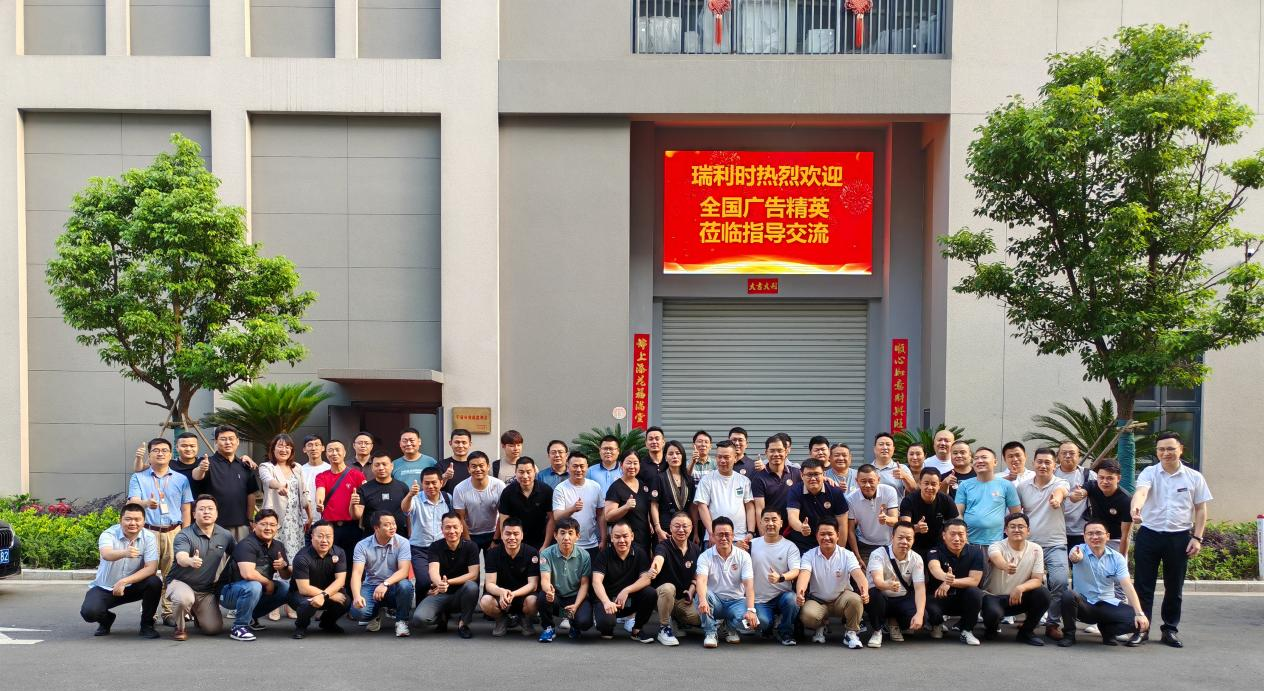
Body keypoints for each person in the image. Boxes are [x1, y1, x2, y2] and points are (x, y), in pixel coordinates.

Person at [1130, 431, 1212, 648]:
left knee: (1174, 587)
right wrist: (1135, 508)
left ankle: (1170, 630)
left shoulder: (1194, 477)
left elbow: (1201, 509)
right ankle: (1141, 629)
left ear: (1180, 450)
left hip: (1179, 538)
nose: (1165, 453)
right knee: (1143, 586)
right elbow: (1141, 492)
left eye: (1170, 449)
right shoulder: (1149, 472)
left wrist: (1197, 538)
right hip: (1149, 534)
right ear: (1157, 452)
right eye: (1161, 449)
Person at [126, 438, 193, 625]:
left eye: (165, 450)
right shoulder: (138, 477)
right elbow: (133, 501)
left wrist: (186, 534)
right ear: (149, 455)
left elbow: (186, 508)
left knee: (171, 574)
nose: (160, 453)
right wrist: (146, 503)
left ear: (171, 455)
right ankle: (149, 613)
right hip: (148, 532)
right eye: (156, 450)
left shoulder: (181, 479)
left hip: (174, 532)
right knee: (148, 574)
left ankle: (169, 612)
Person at [1059, 519, 1149, 648]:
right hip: (1084, 606)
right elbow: (1075, 556)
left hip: (1107, 604)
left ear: (1107, 536)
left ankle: (1108, 631)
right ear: (1084, 537)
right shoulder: (1078, 549)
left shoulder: (1117, 558)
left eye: (1099, 533)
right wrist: (1075, 558)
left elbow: (1127, 586)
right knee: (1068, 595)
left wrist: (1140, 614)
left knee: (1140, 621)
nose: (1094, 537)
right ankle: (1069, 635)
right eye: (1090, 534)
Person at [80, 502, 163, 639]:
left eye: (137, 519)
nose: (133, 523)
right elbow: (106, 554)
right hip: (106, 587)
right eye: (128, 519)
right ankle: (106, 620)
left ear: (143, 521)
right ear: (120, 520)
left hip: (133, 586)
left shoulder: (148, 537)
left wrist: (124, 581)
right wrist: (125, 553)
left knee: (154, 582)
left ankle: (147, 625)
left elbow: (151, 567)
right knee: (89, 612)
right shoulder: (108, 534)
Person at [1014, 447, 1070, 640]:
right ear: (1033, 463)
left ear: (1055, 465)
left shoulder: (1060, 483)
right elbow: (1017, 513)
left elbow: (1061, 492)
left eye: (1048, 462)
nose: (1043, 465)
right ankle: (1031, 620)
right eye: (1040, 461)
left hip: (1055, 543)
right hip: (1029, 545)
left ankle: (1052, 623)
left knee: (1060, 581)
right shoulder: (1022, 487)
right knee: (1026, 584)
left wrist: (1057, 499)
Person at [166, 495, 235, 640]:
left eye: (210, 509)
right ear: (194, 514)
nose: (206, 512)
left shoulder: (225, 535)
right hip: (180, 583)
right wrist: (190, 561)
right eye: (202, 509)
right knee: (183, 598)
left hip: (205, 590)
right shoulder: (184, 534)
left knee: (213, 629)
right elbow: (181, 557)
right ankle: (180, 628)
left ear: (216, 513)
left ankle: (197, 613)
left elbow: (237, 555)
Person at [258, 433, 310, 619]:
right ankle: (274, 604)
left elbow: (304, 493)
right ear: (273, 449)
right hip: (275, 523)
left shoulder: (297, 468)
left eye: (287, 446)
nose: (283, 449)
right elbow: (267, 480)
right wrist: (279, 485)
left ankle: (290, 603)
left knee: (293, 562)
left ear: (292, 450)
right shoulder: (267, 467)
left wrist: (309, 515)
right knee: (275, 562)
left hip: (295, 524)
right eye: (279, 446)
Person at [218, 509, 292, 642]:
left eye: (272, 524)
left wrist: (284, 566)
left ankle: (250, 617)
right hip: (228, 591)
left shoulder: (278, 546)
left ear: (277, 527)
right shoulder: (246, 544)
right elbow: (248, 574)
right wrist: (268, 583)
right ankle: (239, 627)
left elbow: (285, 576)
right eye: (263, 524)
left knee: (285, 588)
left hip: (256, 589)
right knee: (254, 585)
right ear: (254, 525)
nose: (268, 528)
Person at [795, 516, 867, 649]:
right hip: (818, 600)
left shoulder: (847, 555)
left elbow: (858, 574)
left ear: (838, 535)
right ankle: (820, 626)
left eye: (830, 534)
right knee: (808, 616)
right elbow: (804, 575)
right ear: (816, 536)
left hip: (841, 598)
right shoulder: (809, 555)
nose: (826, 538)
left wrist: (865, 591)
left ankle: (851, 633)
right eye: (822, 534)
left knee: (856, 600)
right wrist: (800, 593)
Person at [982, 513, 1051, 646]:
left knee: (1043, 594)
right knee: (992, 614)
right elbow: (996, 558)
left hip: (1018, 597)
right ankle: (991, 628)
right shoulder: (996, 546)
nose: (1017, 530)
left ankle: (1026, 632)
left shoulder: (1036, 549)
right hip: (994, 597)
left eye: (1021, 526)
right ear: (1005, 530)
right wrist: (1006, 566)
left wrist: (1020, 588)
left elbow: (1037, 579)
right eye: (1012, 526)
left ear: (1028, 530)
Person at [412, 512, 481, 638]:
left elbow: (473, 574)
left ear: (461, 528)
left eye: (455, 527)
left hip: (461, 593)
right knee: (419, 620)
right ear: (442, 529)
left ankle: (463, 624)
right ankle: (441, 617)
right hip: (441, 593)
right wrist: (439, 583)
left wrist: (448, 582)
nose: (452, 531)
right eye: (447, 527)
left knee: (472, 587)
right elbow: (433, 570)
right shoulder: (435, 546)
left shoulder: (471, 546)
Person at [695, 516, 759, 648]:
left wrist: (751, 610)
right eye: (720, 535)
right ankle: (710, 632)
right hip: (715, 601)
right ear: (713, 536)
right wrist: (702, 600)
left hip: (736, 601)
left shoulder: (744, 556)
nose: (724, 538)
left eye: (727, 534)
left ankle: (730, 626)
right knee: (702, 595)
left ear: (733, 535)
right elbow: (701, 580)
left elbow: (749, 585)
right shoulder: (705, 556)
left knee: (751, 624)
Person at [349, 511, 415, 637]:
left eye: (393, 523)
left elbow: (404, 571)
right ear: (376, 528)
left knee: (405, 586)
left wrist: (385, 584)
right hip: (371, 586)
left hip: (394, 585)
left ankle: (401, 621)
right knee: (358, 612)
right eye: (387, 525)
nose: (392, 527)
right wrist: (357, 596)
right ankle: (375, 614)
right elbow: (357, 573)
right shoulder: (362, 545)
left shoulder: (403, 542)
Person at [192, 425, 260, 541]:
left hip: (241, 524)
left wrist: (250, 520)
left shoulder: (245, 465)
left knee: (241, 552)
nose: (228, 442)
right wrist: (201, 468)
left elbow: (251, 495)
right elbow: (196, 475)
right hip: (213, 524)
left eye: (231, 439)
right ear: (216, 442)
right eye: (223, 439)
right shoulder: (207, 463)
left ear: (237, 441)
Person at [864, 521, 925, 648]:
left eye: (908, 538)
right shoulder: (878, 554)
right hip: (881, 597)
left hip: (901, 598)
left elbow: (919, 589)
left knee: (924, 617)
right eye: (900, 537)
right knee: (874, 594)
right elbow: (877, 581)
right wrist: (887, 585)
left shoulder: (917, 558)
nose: (904, 542)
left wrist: (919, 614)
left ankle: (894, 622)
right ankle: (877, 630)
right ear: (892, 537)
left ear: (913, 540)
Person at [592, 522, 656, 642]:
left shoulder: (640, 553)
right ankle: (606, 626)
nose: (621, 540)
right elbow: (596, 582)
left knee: (650, 593)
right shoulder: (604, 555)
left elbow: (646, 579)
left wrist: (626, 590)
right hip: (609, 601)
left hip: (630, 600)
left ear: (632, 536)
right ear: (611, 538)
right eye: (617, 537)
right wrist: (606, 602)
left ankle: (637, 630)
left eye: (625, 536)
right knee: (606, 626)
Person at [925, 519, 985, 646]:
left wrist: (950, 582)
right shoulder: (934, 551)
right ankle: (936, 624)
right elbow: (934, 569)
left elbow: (974, 580)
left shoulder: (976, 552)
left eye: (961, 534)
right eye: (952, 534)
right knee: (932, 610)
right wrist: (946, 577)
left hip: (962, 599)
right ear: (944, 535)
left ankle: (967, 630)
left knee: (975, 592)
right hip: (939, 597)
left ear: (966, 535)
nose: (957, 539)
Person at [647, 511, 703, 646]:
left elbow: (696, 575)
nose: (681, 530)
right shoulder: (663, 546)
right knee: (668, 588)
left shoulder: (695, 549)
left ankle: (677, 620)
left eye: (685, 526)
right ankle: (664, 628)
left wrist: (691, 590)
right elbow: (658, 559)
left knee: (698, 618)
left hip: (682, 598)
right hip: (661, 595)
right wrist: (654, 569)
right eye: (677, 526)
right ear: (670, 528)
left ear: (691, 528)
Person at [287, 521, 349, 638]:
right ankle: (301, 626)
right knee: (307, 604)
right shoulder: (302, 557)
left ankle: (327, 623)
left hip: (327, 593)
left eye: (328, 536)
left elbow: (340, 581)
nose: (324, 540)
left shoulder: (339, 552)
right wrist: (326, 595)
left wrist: (324, 595)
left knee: (345, 600)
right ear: (312, 537)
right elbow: (304, 589)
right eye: (320, 536)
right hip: (301, 594)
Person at [480, 517, 541, 637]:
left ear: (522, 535)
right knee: (485, 601)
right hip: (500, 597)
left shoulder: (531, 552)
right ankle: (501, 619)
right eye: (507, 534)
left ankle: (525, 619)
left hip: (523, 596)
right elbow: (490, 584)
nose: (512, 537)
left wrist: (513, 594)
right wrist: (502, 592)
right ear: (502, 535)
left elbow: (533, 585)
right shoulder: (492, 553)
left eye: (516, 534)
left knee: (534, 601)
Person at [537, 517, 594, 642]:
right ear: (555, 535)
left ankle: (575, 625)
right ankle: (548, 628)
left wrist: (576, 605)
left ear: (577, 536)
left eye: (570, 533)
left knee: (584, 622)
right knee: (543, 597)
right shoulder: (546, 554)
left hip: (575, 597)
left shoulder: (585, 556)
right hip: (556, 597)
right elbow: (545, 579)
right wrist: (549, 591)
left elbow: (584, 584)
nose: (566, 537)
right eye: (562, 533)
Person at [750, 508, 801, 646]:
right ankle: (769, 625)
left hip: (782, 595)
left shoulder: (790, 546)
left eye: (774, 520)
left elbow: (796, 570)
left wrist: (781, 577)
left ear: (781, 523)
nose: (770, 523)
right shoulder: (751, 545)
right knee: (763, 622)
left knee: (793, 600)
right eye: (766, 520)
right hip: (760, 599)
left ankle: (786, 632)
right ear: (760, 522)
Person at [402, 466, 453, 595]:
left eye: (434, 482)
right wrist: (410, 494)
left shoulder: (448, 498)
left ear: (441, 482)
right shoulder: (415, 499)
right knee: (424, 581)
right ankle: (421, 605)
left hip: (443, 547)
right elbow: (405, 509)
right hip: (420, 548)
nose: (430, 486)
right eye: (427, 483)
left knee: (441, 580)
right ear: (422, 484)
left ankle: (438, 606)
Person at [954, 447, 1021, 547]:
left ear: (995, 462)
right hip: (968, 543)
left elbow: (1016, 515)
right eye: (976, 458)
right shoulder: (964, 485)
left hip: (996, 543)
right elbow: (958, 513)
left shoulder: (1007, 485)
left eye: (984, 457)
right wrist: (962, 537)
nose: (979, 461)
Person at [694, 441, 755, 549]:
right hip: (714, 538)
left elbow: (749, 507)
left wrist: (750, 532)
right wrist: (711, 533)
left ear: (735, 458)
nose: (722, 460)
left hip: (740, 537)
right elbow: (702, 506)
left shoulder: (744, 481)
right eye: (719, 457)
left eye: (726, 457)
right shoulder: (707, 480)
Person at [314, 440, 366, 559]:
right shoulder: (322, 476)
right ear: (326, 454)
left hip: (352, 526)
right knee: (330, 560)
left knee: (352, 559)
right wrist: (319, 503)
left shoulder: (357, 475)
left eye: (337, 450)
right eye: (330, 450)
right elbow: (320, 491)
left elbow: (363, 500)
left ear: (344, 453)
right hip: (329, 528)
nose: (334, 453)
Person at [786, 459, 850, 554]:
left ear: (823, 474)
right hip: (803, 542)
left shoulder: (835, 492)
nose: (813, 478)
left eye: (816, 474)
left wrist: (840, 552)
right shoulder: (795, 491)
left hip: (828, 541)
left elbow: (842, 525)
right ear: (802, 475)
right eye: (809, 475)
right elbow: (792, 518)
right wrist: (801, 528)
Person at [551, 451, 605, 555]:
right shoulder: (560, 489)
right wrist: (572, 509)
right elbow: (557, 516)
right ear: (568, 467)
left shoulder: (595, 487)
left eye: (582, 466)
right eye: (575, 466)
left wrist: (603, 539)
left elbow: (601, 515)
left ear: (587, 467)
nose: (579, 470)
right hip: (568, 544)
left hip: (592, 544)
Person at [899, 468, 959, 559]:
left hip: (938, 546)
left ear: (939, 485)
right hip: (913, 546)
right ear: (920, 484)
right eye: (926, 483)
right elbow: (904, 527)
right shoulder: (909, 500)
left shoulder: (946, 500)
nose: (930, 487)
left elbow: (956, 524)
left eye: (933, 484)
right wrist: (916, 528)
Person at [846, 464, 899, 564]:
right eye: (863, 481)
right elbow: (850, 531)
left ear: (878, 480)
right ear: (857, 481)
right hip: (865, 544)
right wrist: (857, 557)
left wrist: (886, 519)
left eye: (871, 481)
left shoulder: (889, 491)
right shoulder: (851, 499)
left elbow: (895, 520)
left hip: (889, 544)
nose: (867, 485)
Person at [452, 451, 506, 550]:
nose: (478, 469)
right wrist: (468, 542)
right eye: (474, 466)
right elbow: (460, 518)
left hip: (493, 532)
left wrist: (496, 539)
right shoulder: (460, 488)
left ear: (488, 467)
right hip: (470, 533)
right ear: (468, 469)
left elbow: (502, 514)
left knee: (493, 560)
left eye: (481, 465)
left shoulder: (499, 485)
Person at [498, 457, 554, 550]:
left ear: (534, 472)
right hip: (515, 541)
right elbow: (503, 520)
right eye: (521, 472)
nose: (525, 476)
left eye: (528, 472)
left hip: (540, 541)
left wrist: (545, 545)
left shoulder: (546, 491)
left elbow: (551, 518)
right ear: (515, 472)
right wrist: (506, 544)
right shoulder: (508, 492)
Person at [604, 451, 654, 552]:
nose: (632, 466)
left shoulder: (643, 485)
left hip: (644, 538)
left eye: (635, 463)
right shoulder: (615, 487)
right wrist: (625, 507)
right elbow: (608, 516)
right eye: (629, 463)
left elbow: (645, 509)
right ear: (621, 465)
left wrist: (649, 523)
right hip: (624, 541)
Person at [354, 453, 410, 538]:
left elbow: (408, 513)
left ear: (391, 466)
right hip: (371, 537)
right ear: (372, 467)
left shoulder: (402, 487)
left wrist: (410, 532)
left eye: (384, 464)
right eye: (377, 465)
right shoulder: (364, 489)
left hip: (398, 537)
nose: (381, 468)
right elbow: (357, 515)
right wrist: (353, 504)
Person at [650, 440, 696, 543]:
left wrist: (696, 531)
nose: (674, 456)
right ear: (665, 457)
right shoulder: (659, 478)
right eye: (670, 454)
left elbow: (693, 507)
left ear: (683, 456)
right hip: (666, 528)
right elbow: (654, 504)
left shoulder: (689, 479)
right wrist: (658, 528)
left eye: (678, 453)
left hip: (685, 528)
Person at [1085, 458, 1133, 555]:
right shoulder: (1092, 486)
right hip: (1094, 537)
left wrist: (1122, 558)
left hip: (1116, 540)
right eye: (1101, 477)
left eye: (1110, 478)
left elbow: (1125, 536)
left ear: (1118, 478)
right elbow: (1078, 494)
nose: (1105, 481)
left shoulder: (1126, 500)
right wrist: (1078, 494)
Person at [751, 434, 802, 524]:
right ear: (766, 453)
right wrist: (763, 532)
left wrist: (825, 479)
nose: (776, 454)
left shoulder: (796, 473)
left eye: (779, 450)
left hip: (792, 527)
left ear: (786, 452)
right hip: (771, 526)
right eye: (772, 451)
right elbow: (759, 510)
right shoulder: (759, 478)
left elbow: (811, 480)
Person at [1055, 441, 1095, 548]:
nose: (1068, 456)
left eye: (1072, 453)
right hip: (1056, 531)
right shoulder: (1051, 474)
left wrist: (1085, 492)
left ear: (1079, 456)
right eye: (1064, 453)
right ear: (1058, 456)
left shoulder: (1088, 475)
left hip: (1081, 531)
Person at [871, 432, 916, 499]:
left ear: (893, 449)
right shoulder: (868, 469)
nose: (885, 447)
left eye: (888, 444)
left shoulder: (902, 468)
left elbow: (914, 490)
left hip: (896, 506)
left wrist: (905, 476)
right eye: (881, 444)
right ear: (874, 449)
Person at [299, 435, 329, 524]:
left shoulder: (330, 469)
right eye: (310, 445)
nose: (313, 448)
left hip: (326, 520)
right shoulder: (300, 470)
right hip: (304, 520)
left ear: (323, 448)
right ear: (304, 449)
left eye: (317, 445)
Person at [436, 429, 474, 493]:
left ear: (470, 444)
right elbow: (434, 488)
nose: (460, 446)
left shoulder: (475, 466)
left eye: (464, 442)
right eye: (457, 442)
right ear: (450, 443)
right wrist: (445, 477)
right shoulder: (441, 465)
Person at [171, 431, 207, 496]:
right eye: (184, 446)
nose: (188, 449)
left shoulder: (205, 462)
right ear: (177, 447)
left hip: (202, 501)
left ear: (197, 447)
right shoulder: (169, 465)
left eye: (192, 446)